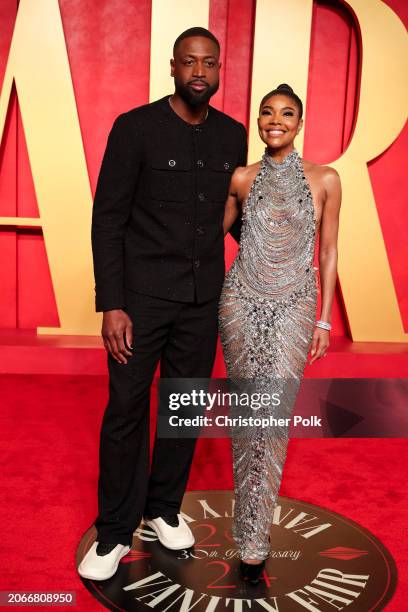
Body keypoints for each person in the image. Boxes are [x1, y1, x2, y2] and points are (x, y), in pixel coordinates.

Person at [78, 27, 247, 581]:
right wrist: (113, 304)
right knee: (127, 409)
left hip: (203, 301)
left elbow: (237, 216)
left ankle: (162, 509)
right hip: (142, 301)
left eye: (210, 63)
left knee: (185, 406)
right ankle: (113, 532)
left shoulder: (233, 135)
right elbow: (108, 219)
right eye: (190, 63)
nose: (200, 72)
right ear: (172, 67)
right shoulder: (135, 129)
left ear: (220, 70)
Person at [219, 84, 341, 585]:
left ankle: (256, 536)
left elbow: (329, 251)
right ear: (259, 120)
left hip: (294, 308)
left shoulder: (326, 179)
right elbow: (207, 237)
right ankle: (248, 538)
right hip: (240, 306)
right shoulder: (243, 177)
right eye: (267, 113)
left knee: (272, 422)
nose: (275, 120)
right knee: (247, 419)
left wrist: (324, 319)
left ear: (300, 122)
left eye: (286, 114)